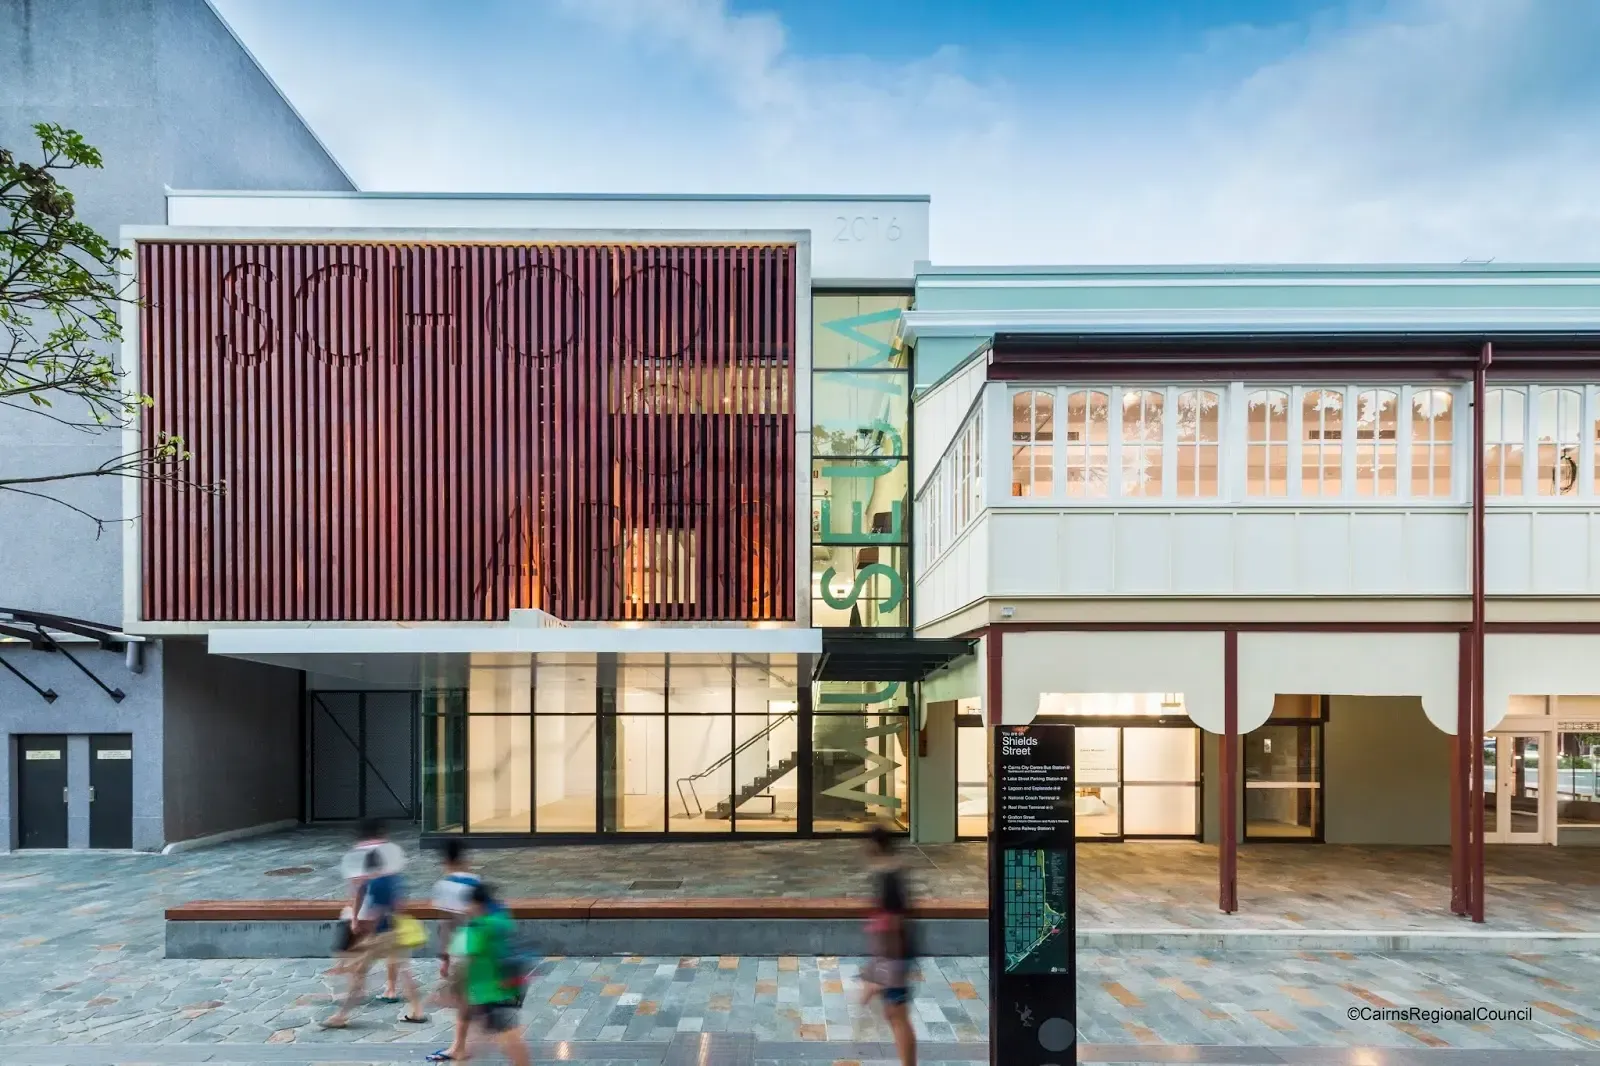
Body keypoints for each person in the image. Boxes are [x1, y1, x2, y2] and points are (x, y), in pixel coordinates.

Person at [323, 823, 426, 1028]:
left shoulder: (375, 883)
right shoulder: (394, 878)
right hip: (396, 931)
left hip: (381, 935)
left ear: (369, 868)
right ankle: (417, 1010)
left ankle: (341, 1016)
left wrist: (363, 930)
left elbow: (375, 912)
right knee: (404, 971)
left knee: (360, 973)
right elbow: (399, 905)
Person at [859, 825, 917, 1066]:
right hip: (893, 958)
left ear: (874, 846)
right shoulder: (891, 875)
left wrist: (881, 974)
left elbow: (892, 926)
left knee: (898, 1016)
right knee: (894, 1014)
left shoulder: (888, 879)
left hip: (894, 958)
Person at [456, 882, 531, 1066]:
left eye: (469, 904)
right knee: (501, 1032)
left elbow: (468, 959)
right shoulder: (501, 917)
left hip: (492, 988)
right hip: (514, 982)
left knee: (505, 1035)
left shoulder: (478, 927)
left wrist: (456, 988)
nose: (466, 908)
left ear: (476, 903)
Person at [426, 840, 483, 1062]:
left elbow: (446, 926)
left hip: (462, 949)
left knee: (459, 998)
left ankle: (459, 1047)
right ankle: (461, 1044)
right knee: (466, 996)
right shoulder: (477, 882)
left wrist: (445, 958)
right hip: (481, 946)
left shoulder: (444, 886)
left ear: (445, 861)